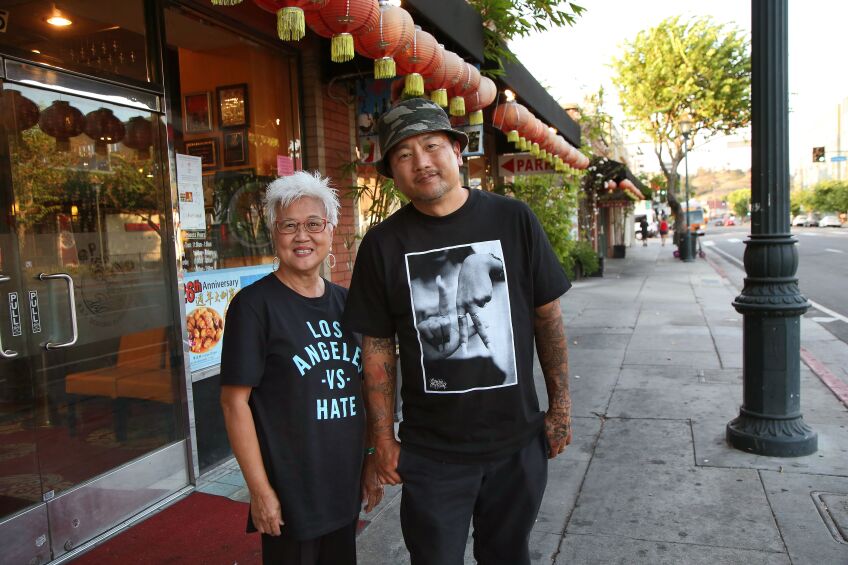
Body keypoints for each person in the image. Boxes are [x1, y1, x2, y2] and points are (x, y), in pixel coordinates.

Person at [343, 97, 572, 565]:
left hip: (516, 444)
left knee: (508, 556)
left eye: (431, 146)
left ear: (456, 149)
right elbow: (378, 348)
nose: (421, 162)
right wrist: (383, 440)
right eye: (404, 154)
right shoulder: (383, 245)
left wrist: (561, 407)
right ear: (392, 170)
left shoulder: (513, 220)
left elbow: (546, 317)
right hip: (432, 455)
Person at [219, 171, 382, 565]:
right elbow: (233, 403)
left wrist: (371, 458)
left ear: (330, 231)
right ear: (274, 235)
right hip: (292, 489)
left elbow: (365, 387)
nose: (302, 236)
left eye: (313, 224)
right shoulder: (254, 306)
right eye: (288, 226)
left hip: (343, 483)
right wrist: (260, 491)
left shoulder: (348, 303)